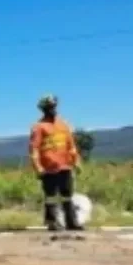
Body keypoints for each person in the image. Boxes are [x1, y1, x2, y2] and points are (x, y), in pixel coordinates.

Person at [29, 94, 82, 231]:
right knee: (51, 197)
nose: (52, 110)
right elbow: (34, 149)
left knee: (67, 195)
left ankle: (71, 222)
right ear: (43, 110)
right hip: (48, 168)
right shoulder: (39, 127)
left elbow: (71, 146)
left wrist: (76, 161)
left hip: (65, 166)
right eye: (48, 108)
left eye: (53, 107)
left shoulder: (63, 125)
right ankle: (52, 222)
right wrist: (38, 167)